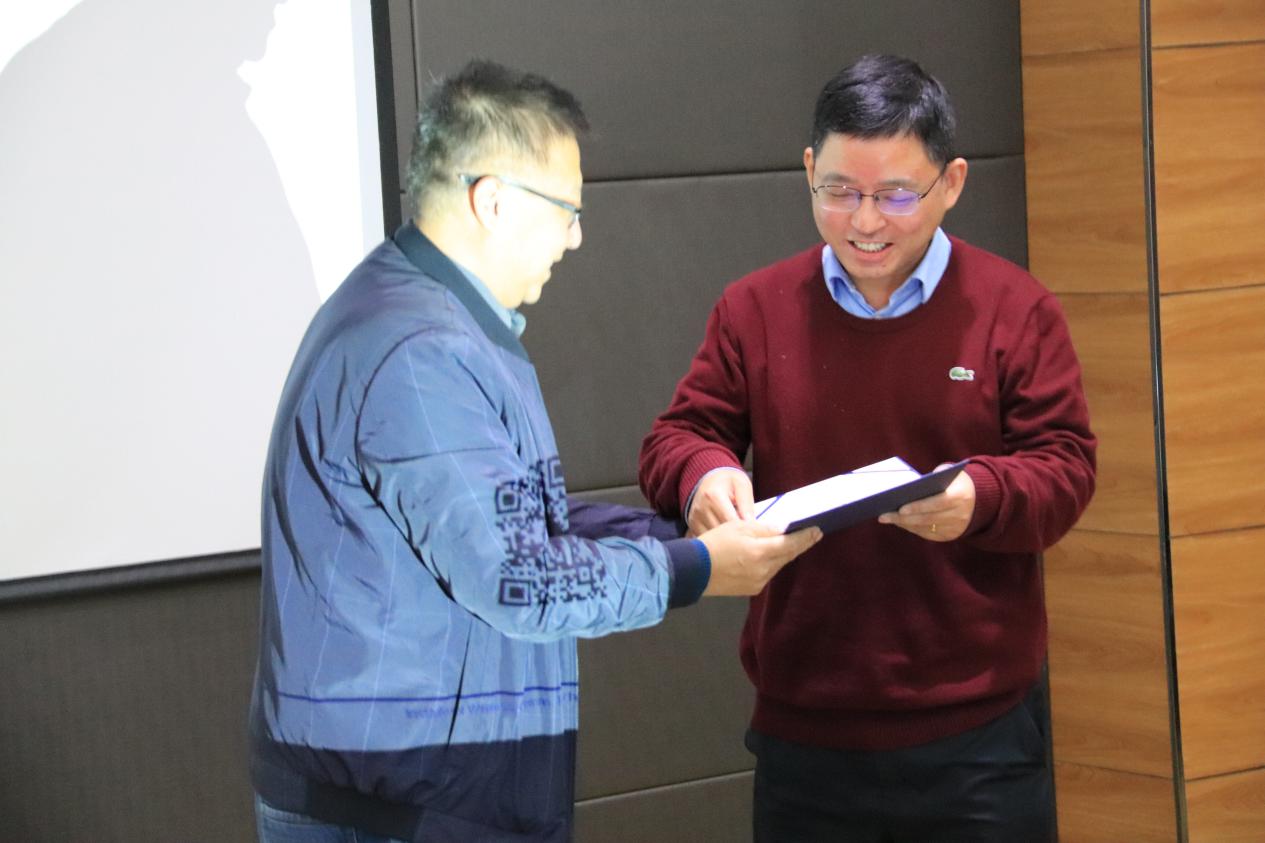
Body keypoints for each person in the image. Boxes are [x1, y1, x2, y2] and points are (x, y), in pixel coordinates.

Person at [247, 59, 820, 843]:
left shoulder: (425, 318)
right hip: (395, 802)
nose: (576, 237)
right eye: (565, 211)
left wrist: (680, 532)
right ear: (491, 201)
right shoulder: (420, 352)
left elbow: (513, 520)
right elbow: (517, 579)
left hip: (416, 786)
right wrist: (693, 569)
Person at [639, 54, 1096, 842]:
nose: (865, 221)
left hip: (978, 739)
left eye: (895, 195)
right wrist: (702, 476)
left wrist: (979, 498)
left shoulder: (1013, 308)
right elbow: (677, 436)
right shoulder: (753, 308)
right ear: (807, 171)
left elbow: (1064, 467)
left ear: (951, 183)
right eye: (839, 191)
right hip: (805, 733)